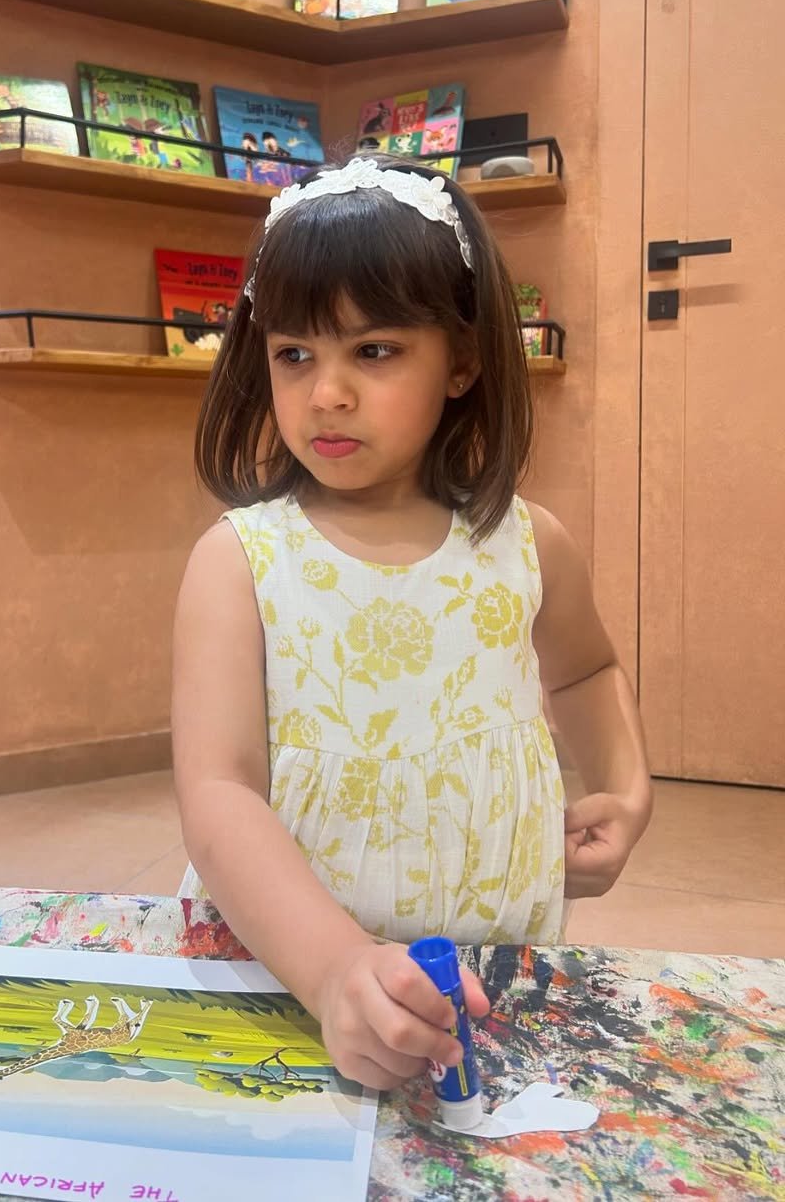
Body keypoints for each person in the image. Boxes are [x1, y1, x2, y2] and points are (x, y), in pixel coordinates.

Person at [172, 154, 652, 1091]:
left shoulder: (528, 545)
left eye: (375, 351)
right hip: (285, 976)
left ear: (462, 359)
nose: (327, 393)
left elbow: (586, 672)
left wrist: (627, 791)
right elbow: (219, 790)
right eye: (294, 354)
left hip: (487, 974)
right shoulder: (240, 563)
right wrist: (333, 969)